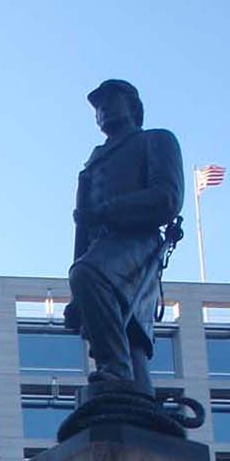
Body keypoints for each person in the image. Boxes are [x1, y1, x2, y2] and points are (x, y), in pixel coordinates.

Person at [64, 80, 183, 394]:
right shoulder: (91, 165)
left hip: (137, 241)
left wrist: (109, 211)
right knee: (130, 335)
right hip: (103, 246)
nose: (102, 111)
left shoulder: (156, 140)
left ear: (132, 106)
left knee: (90, 275)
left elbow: (167, 198)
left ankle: (114, 371)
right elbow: (83, 229)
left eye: (110, 102)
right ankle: (141, 399)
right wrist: (76, 296)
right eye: (98, 107)